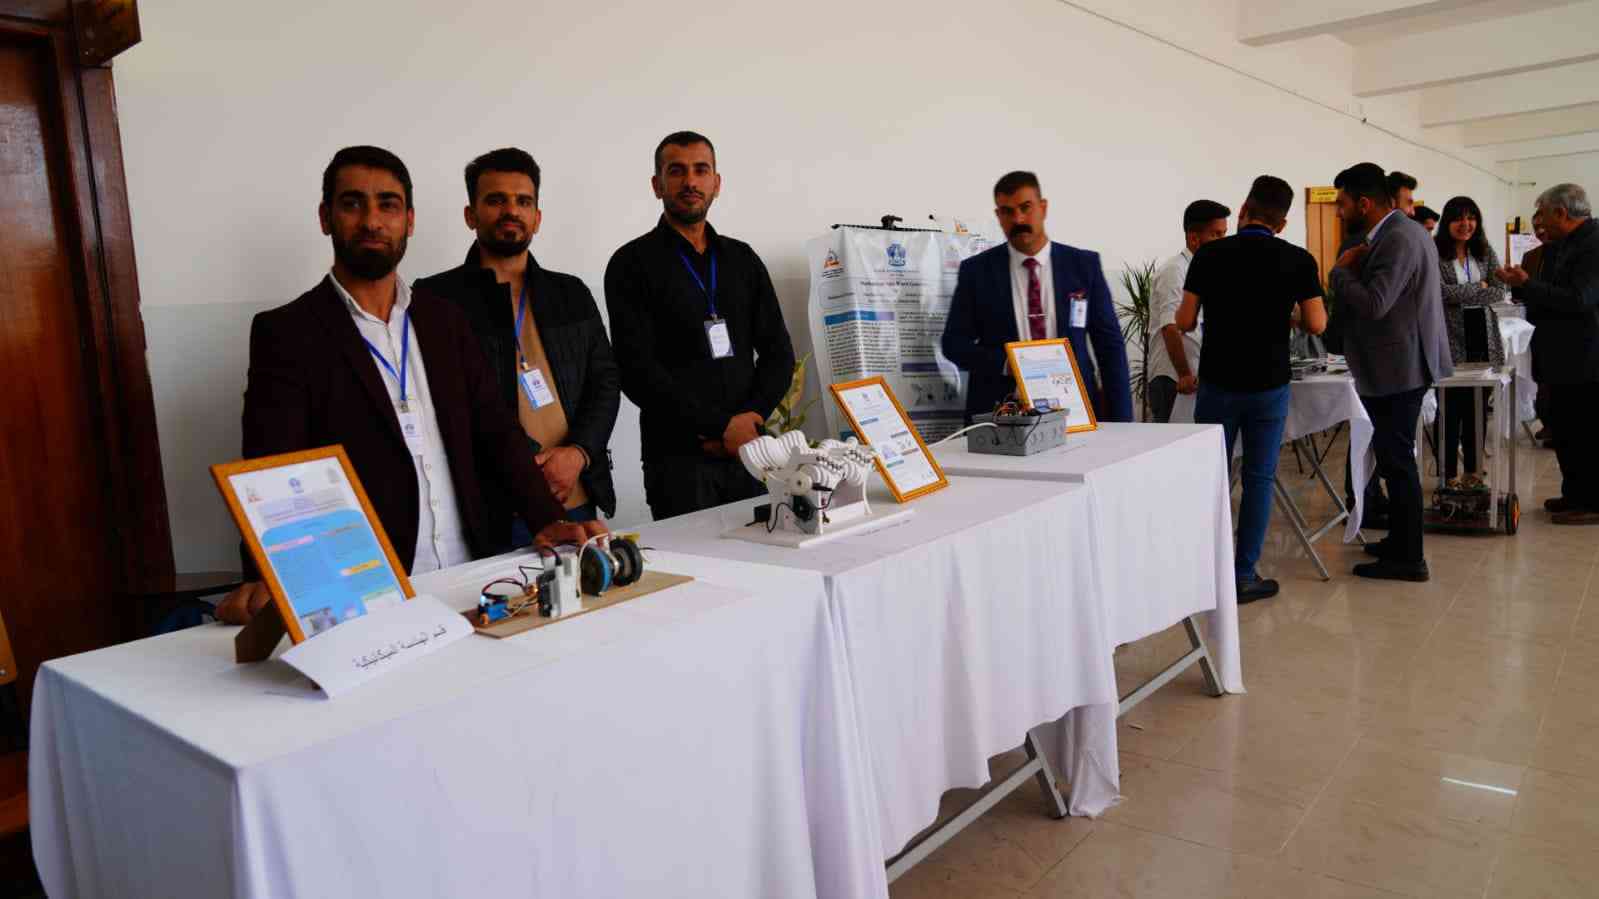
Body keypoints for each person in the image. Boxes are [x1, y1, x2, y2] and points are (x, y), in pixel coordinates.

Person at [217, 146, 604, 624]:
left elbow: (496, 431)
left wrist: (548, 519)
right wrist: (263, 576)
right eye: (352, 203)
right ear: (325, 217)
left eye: (388, 205)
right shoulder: (288, 333)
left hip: (473, 577)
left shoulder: (444, 320)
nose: (372, 221)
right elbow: (271, 469)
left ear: (410, 220)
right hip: (371, 590)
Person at [416, 148, 621, 542]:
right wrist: (526, 472)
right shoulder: (436, 300)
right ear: (470, 215)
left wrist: (578, 452)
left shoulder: (571, 293)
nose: (511, 210)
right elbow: (447, 403)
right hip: (492, 504)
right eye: (496, 200)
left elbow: (606, 382)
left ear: (537, 218)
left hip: (575, 491)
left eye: (523, 201)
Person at [605, 131, 796, 520]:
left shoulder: (742, 259)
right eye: (676, 171)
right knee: (691, 559)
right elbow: (636, 371)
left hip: (750, 453)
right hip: (678, 462)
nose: (690, 181)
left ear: (716, 183)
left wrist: (750, 420)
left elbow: (778, 352)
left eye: (700, 170)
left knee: (764, 554)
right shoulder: (630, 264)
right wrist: (720, 427)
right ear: (657, 185)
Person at [1175, 176, 1327, 603]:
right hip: (1269, 384)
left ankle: (1203, 572)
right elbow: (1317, 324)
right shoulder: (1298, 259)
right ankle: (1243, 576)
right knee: (1259, 479)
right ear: (1283, 223)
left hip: (1218, 382)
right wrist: (1288, 314)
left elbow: (1184, 321)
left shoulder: (1209, 255)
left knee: (1212, 476)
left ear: (1244, 209)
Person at [1330, 162, 1452, 581]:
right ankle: (1400, 540)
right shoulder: (1399, 233)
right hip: (1396, 364)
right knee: (1392, 458)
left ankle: (1409, 557)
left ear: (1364, 203)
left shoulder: (1398, 237)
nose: (1339, 212)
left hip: (1399, 367)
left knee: (1398, 462)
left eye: (1342, 203)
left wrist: (1339, 273)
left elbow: (1374, 303)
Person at [942, 171, 1133, 423]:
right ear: (998, 216)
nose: (1018, 219)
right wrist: (1006, 363)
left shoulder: (1083, 266)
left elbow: (1109, 346)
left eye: (1026, 207)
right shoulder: (977, 272)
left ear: (1043, 207)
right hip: (1002, 416)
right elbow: (953, 343)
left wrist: (1123, 421)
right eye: (1007, 211)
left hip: (1075, 410)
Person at [1497, 183, 1599, 524]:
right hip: (1564, 357)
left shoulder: (1593, 243)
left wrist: (1527, 283)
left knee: (1584, 432)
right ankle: (1575, 494)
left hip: (1586, 357)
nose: (1539, 223)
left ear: (1561, 212)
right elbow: (1553, 292)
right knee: (1565, 429)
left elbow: (1579, 299)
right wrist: (1522, 286)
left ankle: (1591, 502)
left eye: (1542, 215)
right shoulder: (1565, 244)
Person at [1433, 195, 1507, 489]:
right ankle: (1447, 474)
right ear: (1447, 222)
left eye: (1471, 217)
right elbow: (1440, 293)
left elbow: (1499, 290)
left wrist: (1466, 292)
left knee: (1477, 410)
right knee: (1449, 411)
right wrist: (1479, 286)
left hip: (1482, 335)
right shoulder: (1435, 252)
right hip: (1449, 336)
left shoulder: (1485, 250)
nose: (1466, 224)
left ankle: (1473, 472)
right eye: (1459, 218)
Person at [1148, 200, 1230, 423]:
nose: (1223, 241)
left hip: (1199, 377)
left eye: (1224, 234)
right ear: (1194, 238)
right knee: (1170, 443)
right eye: (1216, 234)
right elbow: (1170, 327)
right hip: (1174, 378)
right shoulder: (1175, 271)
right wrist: (1184, 373)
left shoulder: (1208, 271)